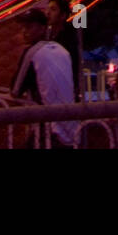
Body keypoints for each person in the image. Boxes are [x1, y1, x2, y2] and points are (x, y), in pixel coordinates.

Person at [11, 8, 77, 148]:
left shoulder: (32, 52)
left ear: (42, 28)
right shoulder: (62, 50)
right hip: (70, 124)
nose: (24, 31)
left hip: (50, 125)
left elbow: (15, 89)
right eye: (23, 27)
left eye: (28, 27)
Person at [46, 0, 82, 99]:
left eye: (53, 9)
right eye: (47, 9)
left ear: (62, 15)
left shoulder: (68, 37)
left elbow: (73, 63)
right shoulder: (48, 35)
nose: (48, 13)